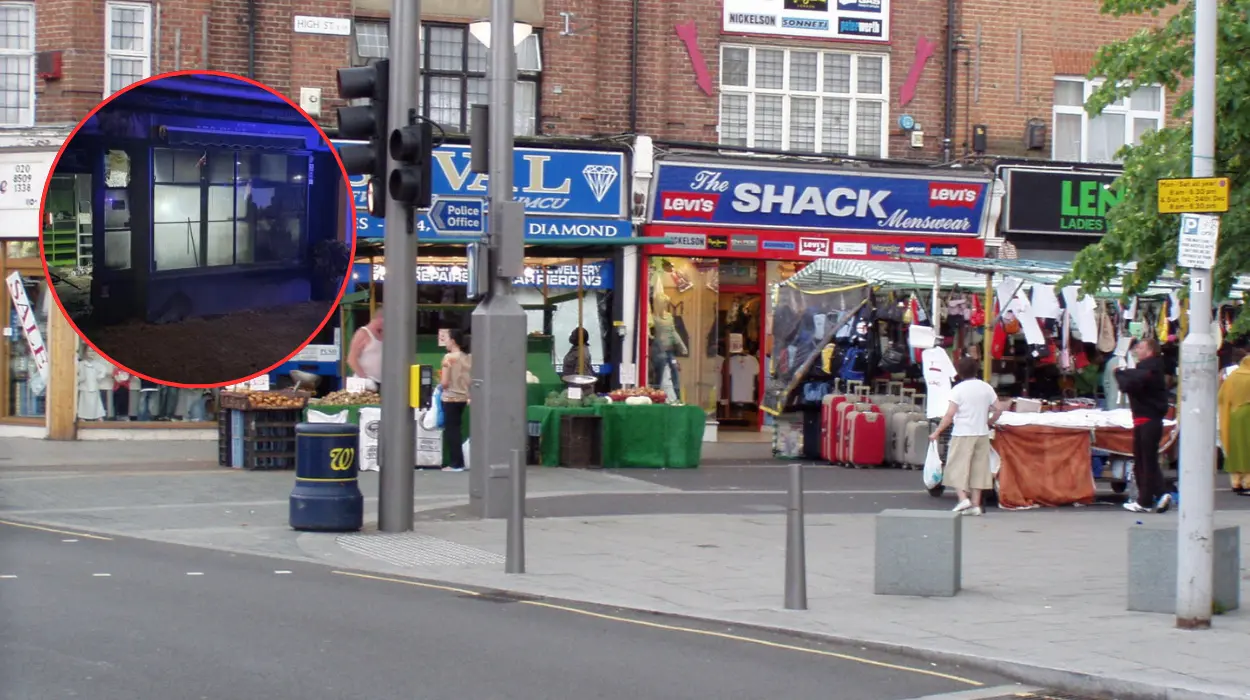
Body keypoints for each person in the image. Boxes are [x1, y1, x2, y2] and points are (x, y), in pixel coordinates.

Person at [929, 357, 1001, 516]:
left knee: (956, 467)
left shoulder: (958, 390)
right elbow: (998, 409)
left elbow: (949, 415)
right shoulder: (986, 387)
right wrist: (988, 422)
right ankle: (976, 504)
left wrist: (937, 432)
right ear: (976, 370)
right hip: (981, 433)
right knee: (979, 470)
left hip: (962, 433)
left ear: (959, 372)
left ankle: (963, 499)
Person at [1114, 338, 1173, 513]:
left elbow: (1129, 384)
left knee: (1146, 461)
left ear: (1150, 351)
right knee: (1145, 460)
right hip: (1144, 420)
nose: (1137, 350)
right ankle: (1155, 496)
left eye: (1141, 348)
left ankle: (1147, 500)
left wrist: (1119, 373)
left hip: (1148, 421)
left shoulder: (1149, 371)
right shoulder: (1148, 370)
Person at [1218, 346, 1250, 493]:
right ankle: (1248, 481)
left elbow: (1222, 397)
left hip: (1233, 415)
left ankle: (1236, 481)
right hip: (1247, 415)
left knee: (1235, 448)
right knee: (1247, 449)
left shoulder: (1232, 377)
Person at [440, 329, 472, 473]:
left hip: (450, 397)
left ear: (453, 341)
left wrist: (440, 385)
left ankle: (456, 463)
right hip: (463, 397)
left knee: (451, 430)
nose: (445, 342)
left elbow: (445, 382)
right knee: (457, 429)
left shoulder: (448, 358)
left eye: (446, 339)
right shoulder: (467, 357)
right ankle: (458, 462)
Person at [346, 309, 383, 391]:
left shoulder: (384, 335)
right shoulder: (363, 333)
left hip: (381, 383)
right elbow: (351, 359)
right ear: (379, 319)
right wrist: (364, 378)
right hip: (365, 383)